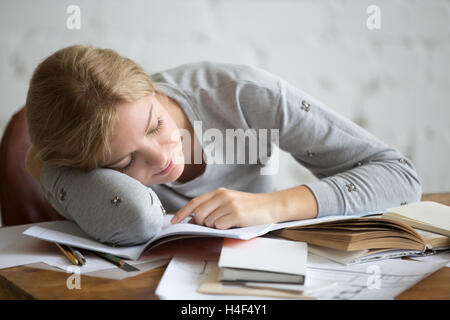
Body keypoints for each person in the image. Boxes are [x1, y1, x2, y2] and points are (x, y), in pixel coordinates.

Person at [25, 44, 422, 246]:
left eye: (155, 125)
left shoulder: (244, 96)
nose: (162, 157)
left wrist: (270, 206)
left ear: (149, 86)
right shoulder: (79, 153)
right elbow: (134, 219)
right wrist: (43, 166)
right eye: (127, 161)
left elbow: (400, 177)